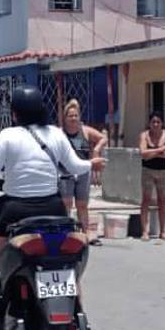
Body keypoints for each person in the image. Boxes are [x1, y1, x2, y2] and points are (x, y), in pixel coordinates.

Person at [0, 86, 106, 330]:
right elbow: (75, 166)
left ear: (14, 113)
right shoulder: (55, 133)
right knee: (67, 266)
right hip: (54, 208)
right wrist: (92, 164)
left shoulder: (8, 136)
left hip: (15, 210)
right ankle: (78, 317)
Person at [58, 99, 107, 243]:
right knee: (66, 204)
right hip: (65, 173)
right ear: (65, 118)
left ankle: (85, 233)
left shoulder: (85, 131)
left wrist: (97, 150)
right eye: (70, 116)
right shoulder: (60, 133)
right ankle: (65, 233)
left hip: (83, 172)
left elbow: (103, 138)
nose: (73, 118)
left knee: (82, 204)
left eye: (75, 115)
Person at [139, 113, 165, 240]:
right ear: (149, 123)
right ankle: (145, 231)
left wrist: (152, 154)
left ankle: (163, 231)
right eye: (153, 122)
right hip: (148, 170)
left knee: (162, 201)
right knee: (146, 200)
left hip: (163, 171)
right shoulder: (144, 135)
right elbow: (143, 153)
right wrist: (161, 150)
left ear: (162, 123)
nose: (155, 124)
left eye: (158, 122)